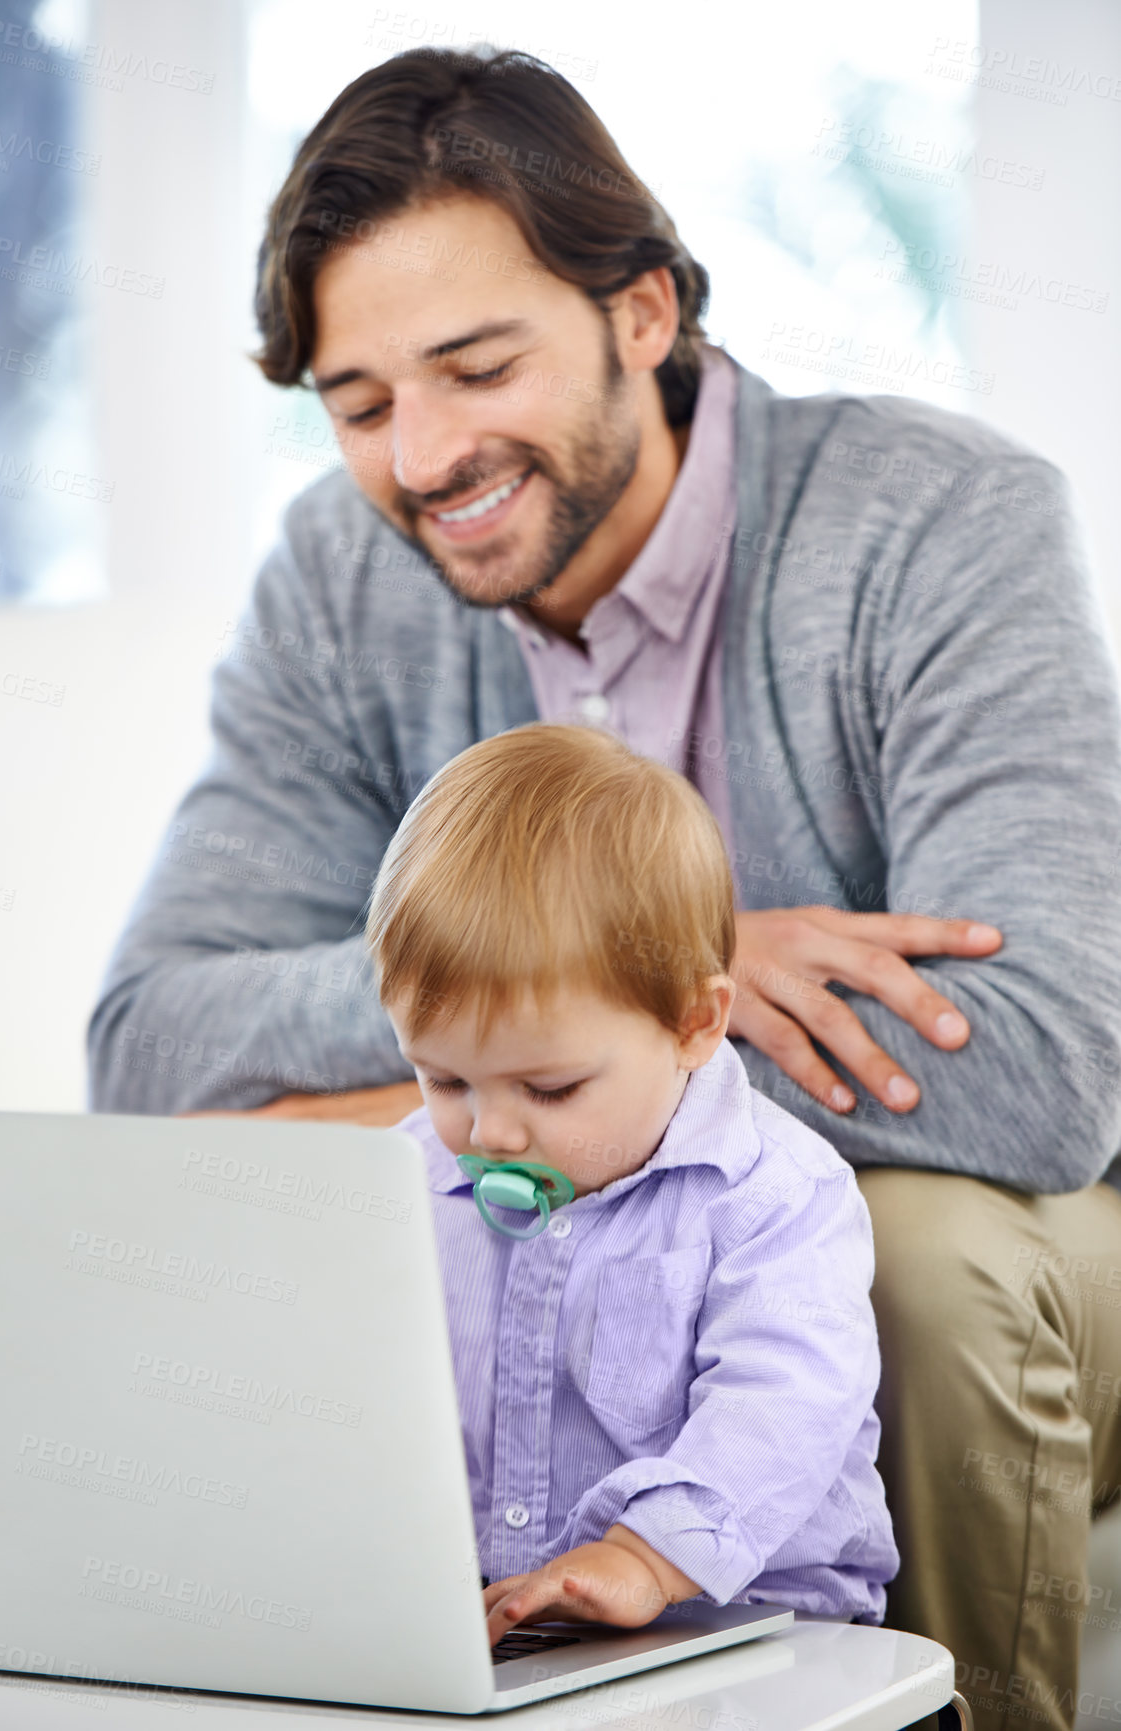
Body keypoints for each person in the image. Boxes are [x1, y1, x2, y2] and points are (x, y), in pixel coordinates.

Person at [86, 45, 1121, 1731]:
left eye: (474, 365)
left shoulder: (940, 521)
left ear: (646, 316)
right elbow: (153, 1042)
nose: (419, 457)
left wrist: (619, 1040)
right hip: (570, 1222)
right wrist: (533, 998)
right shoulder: (345, 578)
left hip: (1030, 1238)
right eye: (357, 404)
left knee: (909, 1252)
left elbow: (1045, 1069)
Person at [366, 720, 899, 1641]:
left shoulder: (775, 1197)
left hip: (754, 1625)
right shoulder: (405, 1178)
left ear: (696, 1022)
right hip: (506, 1630)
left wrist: (646, 1556)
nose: (488, 1131)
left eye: (550, 1086)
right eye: (445, 1078)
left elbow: (785, 1401)